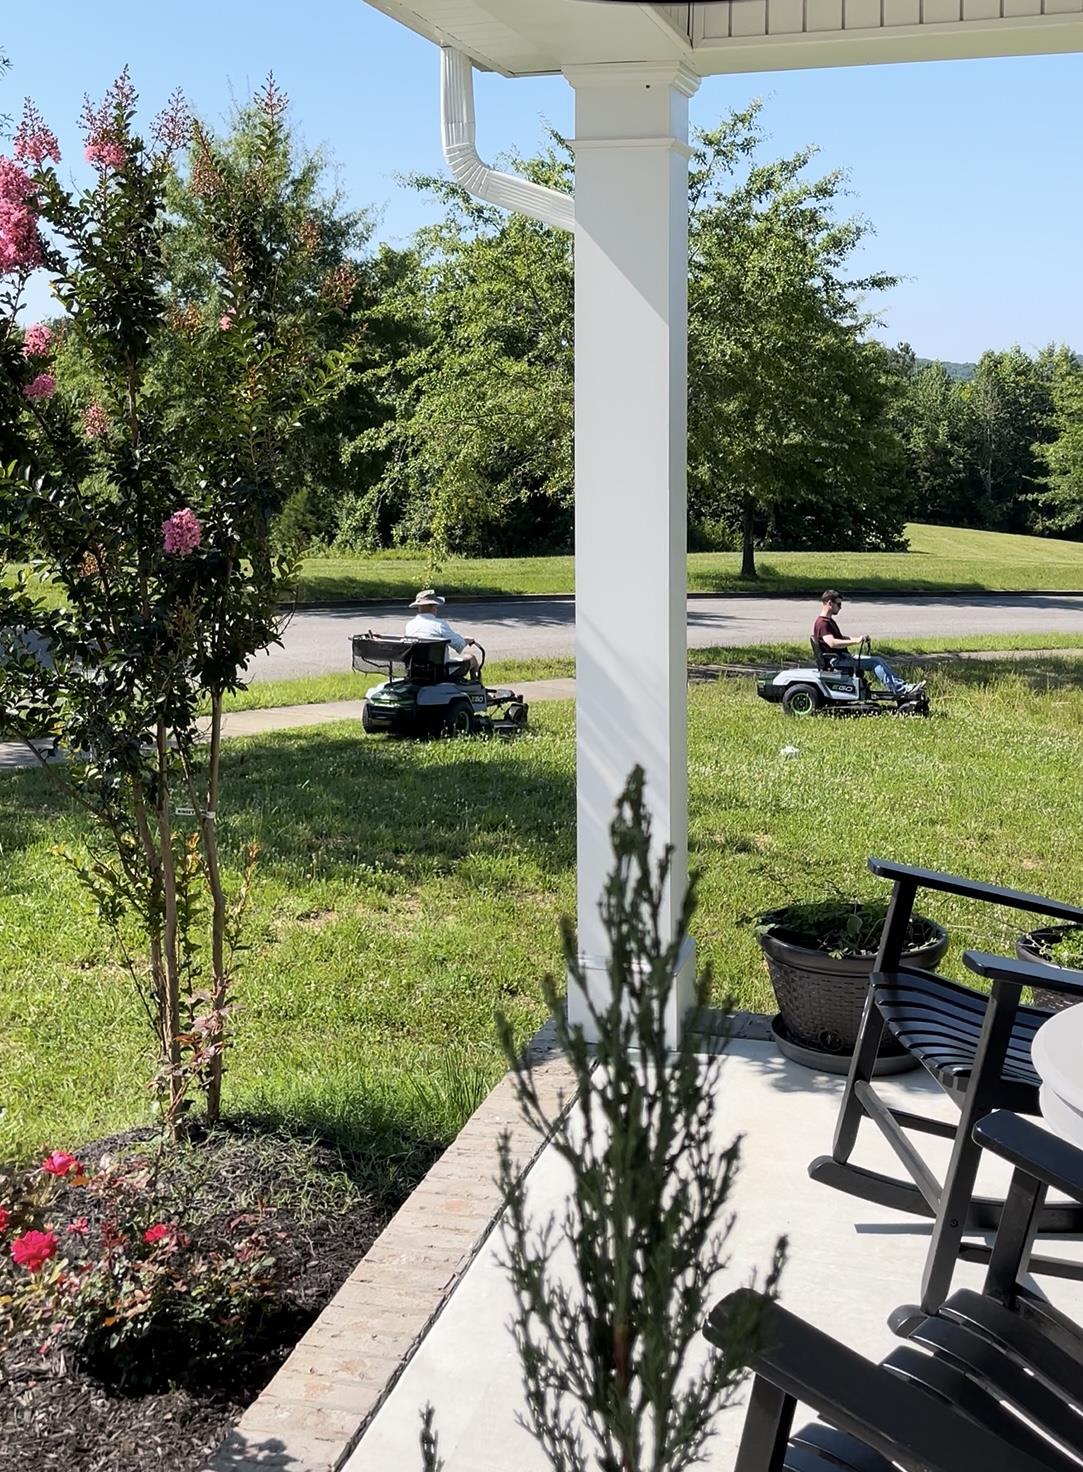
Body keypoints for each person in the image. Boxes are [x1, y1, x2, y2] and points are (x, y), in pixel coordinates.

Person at [812, 590, 924, 700]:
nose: (840, 607)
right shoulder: (823, 623)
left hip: (841, 658)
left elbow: (839, 638)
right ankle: (900, 690)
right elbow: (832, 643)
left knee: (879, 660)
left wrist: (859, 639)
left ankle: (902, 686)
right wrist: (856, 642)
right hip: (837, 661)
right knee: (876, 663)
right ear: (829, 603)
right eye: (838, 604)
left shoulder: (827, 621)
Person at [404, 589, 480, 675]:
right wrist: (467, 640)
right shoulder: (439, 624)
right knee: (471, 658)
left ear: (418, 607)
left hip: (416, 669)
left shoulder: (410, 625)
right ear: (433, 606)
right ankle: (478, 687)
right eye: (436, 606)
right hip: (440, 670)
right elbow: (459, 644)